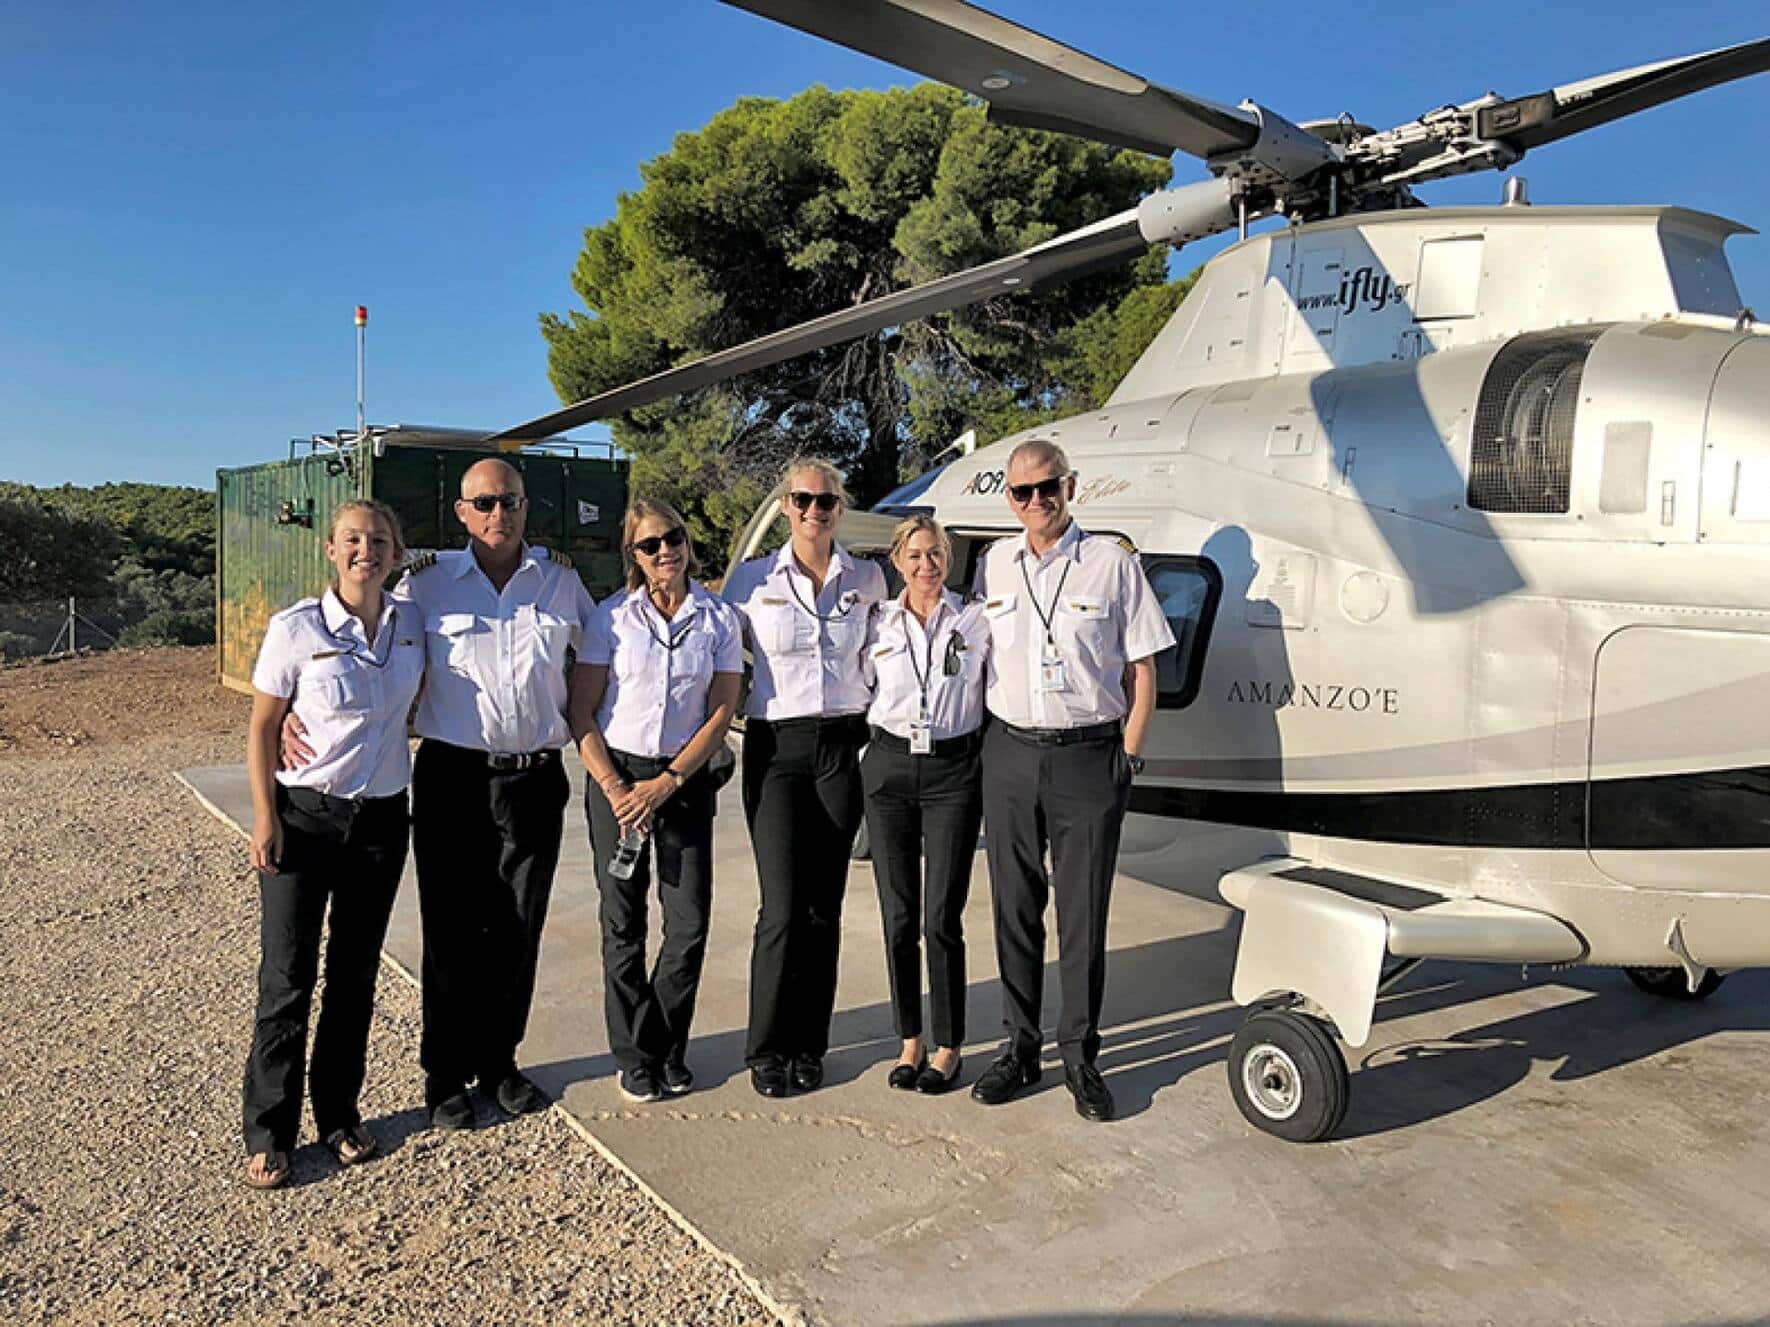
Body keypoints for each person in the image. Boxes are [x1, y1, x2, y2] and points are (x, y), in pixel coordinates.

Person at [287, 458, 596, 1131]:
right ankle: (446, 1073)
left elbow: (607, 660)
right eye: (483, 503)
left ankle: (500, 1060)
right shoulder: (424, 586)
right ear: (462, 512)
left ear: (526, 506)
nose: (497, 513)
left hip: (536, 776)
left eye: (509, 500)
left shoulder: (562, 582)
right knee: (452, 927)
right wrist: (291, 713)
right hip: (453, 776)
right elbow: (357, 643)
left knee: (519, 927)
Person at [969, 440, 1175, 1122]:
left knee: (1082, 915)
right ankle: (1019, 1048)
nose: (1037, 501)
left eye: (1047, 487)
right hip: (1009, 753)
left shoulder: (1112, 564)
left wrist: (1129, 756)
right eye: (1022, 492)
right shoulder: (995, 563)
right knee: (1014, 908)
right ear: (1009, 500)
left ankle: (1081, 1056)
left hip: (1089, 757)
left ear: (1070, 486)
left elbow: (1144, 669)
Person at [242, 499, 423, 1189]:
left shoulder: (412, 624)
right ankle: (269, 1131)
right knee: (287, 978)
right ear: (330, 548)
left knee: (354, 976)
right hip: (306, 819)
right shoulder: (296, 628)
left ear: (396, 553)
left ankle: (338, 1114)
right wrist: (265, 816)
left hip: (381, 824)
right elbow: (263, 727)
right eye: (352, 538)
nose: (364, 550)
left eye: (378, 539)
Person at [722, 457, 886, 1098]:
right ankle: (767, 1046)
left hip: (842, 748)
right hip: (778, 751)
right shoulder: (751, 580)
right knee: (782, 908)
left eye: (826, 501)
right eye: (803, 500)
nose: (814, 511)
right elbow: (712, 654)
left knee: (824, 908)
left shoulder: (867, 578)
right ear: (786, 507)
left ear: (840, 509)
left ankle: (810, 1044)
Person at [570, 499, 741, 1104]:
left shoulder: (718, 618)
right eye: (650, 544)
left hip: (683, 780)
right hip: (618, 780)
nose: (664, 551)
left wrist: (669, 781)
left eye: (672, 538)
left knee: (688, 924)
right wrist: (618, 790)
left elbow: (722, 710)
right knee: (623, 924)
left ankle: (666, 1045)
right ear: (634, 555)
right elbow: (581, 711)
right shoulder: (611, 619)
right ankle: (633, 1055)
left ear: (687, 542)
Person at [861, 515, 990, 1095]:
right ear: (897, 561)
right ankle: (909, 1038)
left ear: (949, 557)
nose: (926, 565)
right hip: (889, 768)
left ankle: (948, 1044)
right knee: (898, 916)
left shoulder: (975, 619)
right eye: (914, 555)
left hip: (952, 772)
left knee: (941, 917)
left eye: (935, 553)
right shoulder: (877, 622)